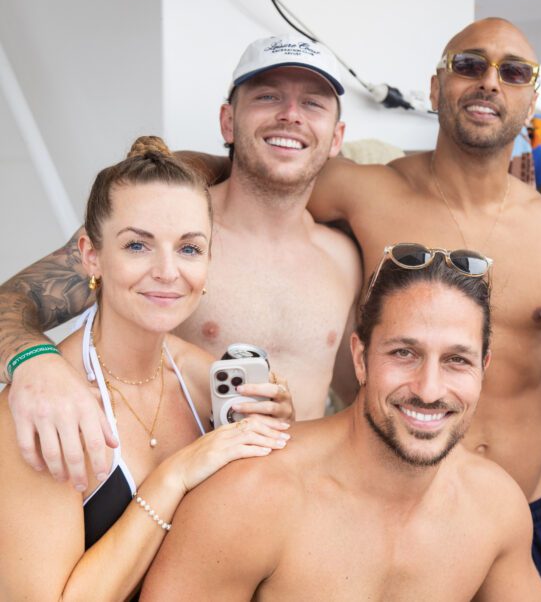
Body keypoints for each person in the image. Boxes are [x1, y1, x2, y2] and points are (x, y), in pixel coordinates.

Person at [306, 18, 541, 600]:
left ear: (531, 100)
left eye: (512, 73)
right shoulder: (362, 191)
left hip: (529, 506)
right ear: (436, 90)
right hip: (398, 512)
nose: (490, 82)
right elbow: (247, 184)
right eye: (469, 65)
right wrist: (178, 169)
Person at [0, 35, 361, 493]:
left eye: (312, 103)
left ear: (337, 138)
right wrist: (37, 363)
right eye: (268, 96)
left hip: (294, 509)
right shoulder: (169, 230)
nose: (290, 114)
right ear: (228, 121)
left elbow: (358, 392)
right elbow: (12, 301)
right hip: (169, 501)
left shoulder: (345, 257)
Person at [141, 246, 541, 601]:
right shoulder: (251, 495)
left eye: (456, 360)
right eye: (404, 353)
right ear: (360, 358)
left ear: (484, 367)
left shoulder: (495, 507)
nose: (428, 390)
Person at [0, 137, 293, 600]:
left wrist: (274, 437)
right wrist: (173, 477)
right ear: (90, 255)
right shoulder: (44, 409)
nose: (167, 270)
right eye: (138, 245)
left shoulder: (207, 383)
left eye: (190, 249)